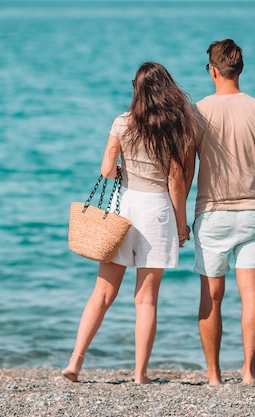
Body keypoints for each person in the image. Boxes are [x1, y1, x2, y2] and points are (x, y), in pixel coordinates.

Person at [62, 62, 197, 384]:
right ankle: (140, 374)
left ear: (136, 89)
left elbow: (107, 170)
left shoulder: (122, 122)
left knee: (102, 294)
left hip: (125, 206)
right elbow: (177, 181)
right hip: (157, 211)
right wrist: (182, 225)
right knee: (146, 299)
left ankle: (75, 364)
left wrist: (125, 169)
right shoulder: (176, 125)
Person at [186, 39, 255, 386]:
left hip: (212, 214)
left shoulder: (196, 112)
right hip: (254, 212)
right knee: (253, 292)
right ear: (239, 69)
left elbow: (185, 169)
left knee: (211, 295)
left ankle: (213, 376)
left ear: (212, 70)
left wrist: (180, 214)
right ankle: (249, 372)